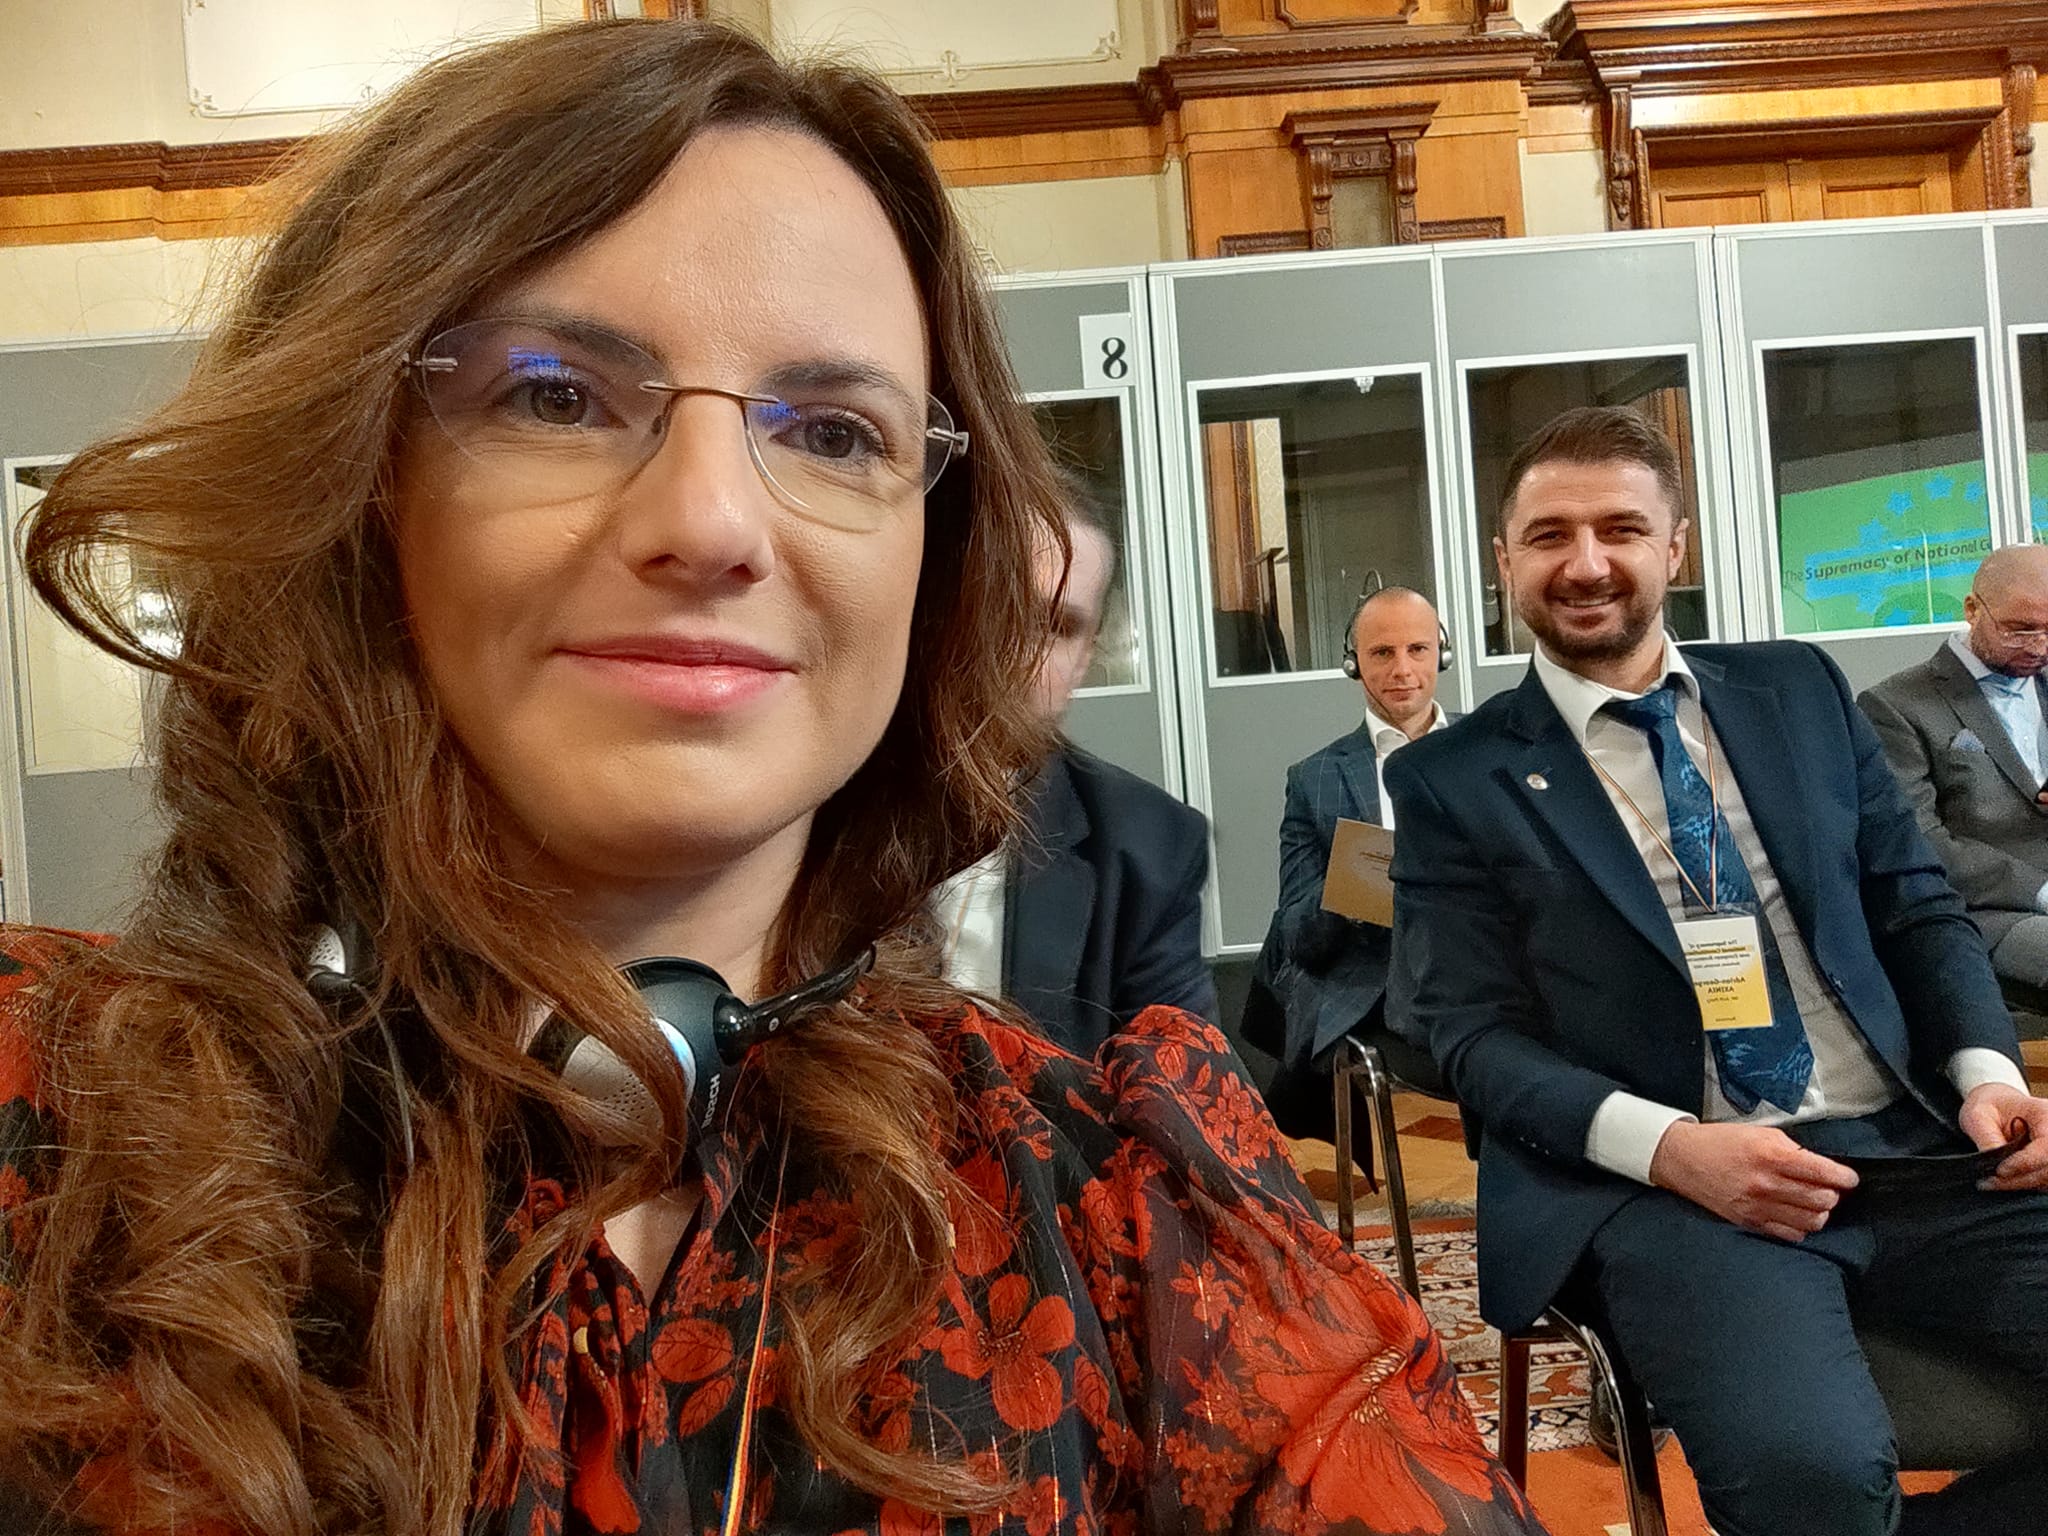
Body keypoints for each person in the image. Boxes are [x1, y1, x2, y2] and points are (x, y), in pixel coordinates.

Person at [0, 22, 1546, 1536]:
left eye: (833, 432)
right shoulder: (48, 1143)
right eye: (555, 394)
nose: (713, 523)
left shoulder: (1124, 1223)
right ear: (353, 482)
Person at [1386, 406, 2048, 1536]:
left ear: (1674, 547)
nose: (1585, 563)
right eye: (1548, 535)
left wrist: (1988, 1073)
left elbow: (1914, 904)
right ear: (1504, 562)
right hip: (1681, 1186)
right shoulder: (1455, 777)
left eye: (1619, 529)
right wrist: (1671, 1150)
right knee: (1813, 1484)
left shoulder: (1797, 690)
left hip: (1916, 1147)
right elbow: (1470, 1037)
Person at [933, 475, 1215, 1055]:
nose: (1017, 650)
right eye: (998, 604)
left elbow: (1179, 1090)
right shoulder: (804, 802)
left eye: (1057, 627)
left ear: (1084, 659)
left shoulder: (1151, 851)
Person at [1244, 587, 1451, 1139]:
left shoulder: (1488, 749)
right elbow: (1296, 934)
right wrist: (1350, 887)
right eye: (1382, 653)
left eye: (1418, 649)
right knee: (1499, 1060)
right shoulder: (1315, 779)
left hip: (1487, 971)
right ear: (1353, 663)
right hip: (1382, 985)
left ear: (1442, 654)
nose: (1402, 670)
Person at [1861, 543, 2048, 993]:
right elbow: (1919, 842)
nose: (2039, 646)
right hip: (1989, 911)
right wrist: (2041, 891)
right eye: (2019, 630)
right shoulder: (1895, 706)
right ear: (1972, 609)